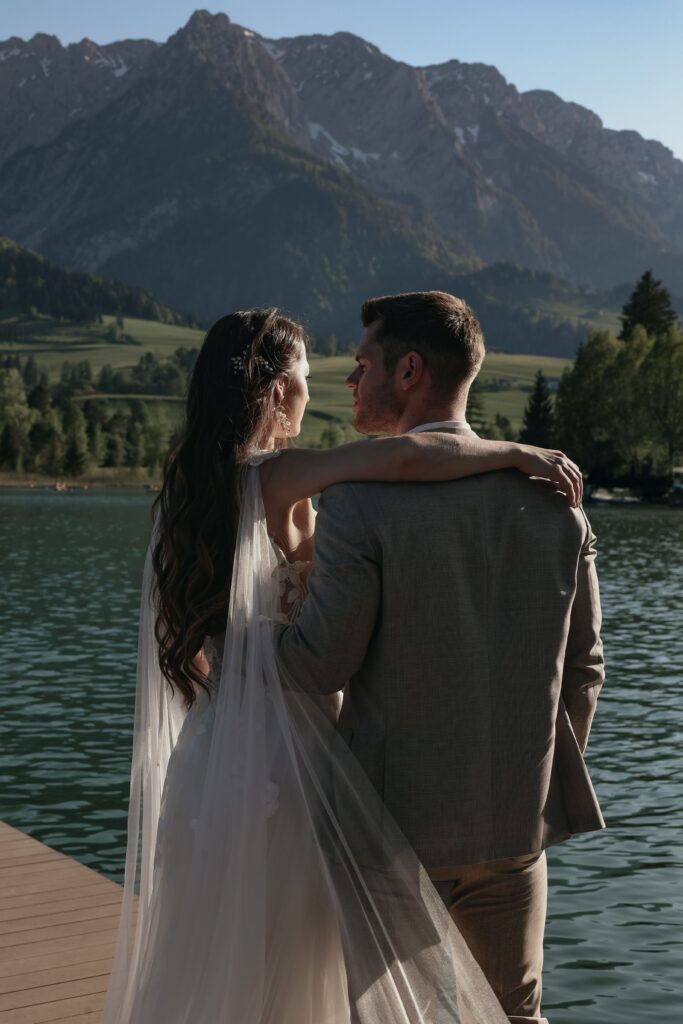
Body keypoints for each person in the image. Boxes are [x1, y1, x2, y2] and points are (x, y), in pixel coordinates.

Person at [101, 306, 584, 1024]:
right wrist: (512, 453)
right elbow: (407, 458)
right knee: (304, 961)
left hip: (215, 748)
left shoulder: (187, 487)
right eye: (304, 377)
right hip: (295, 753)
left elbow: (190, 640)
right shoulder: (279, 475)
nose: (322, 389)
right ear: (275, 391)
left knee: (220, 951)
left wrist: (232, 697)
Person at [275, 291, 605, 1024]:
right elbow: (585, 669)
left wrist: (242, 638)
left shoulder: (358, 503)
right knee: (517, 1017)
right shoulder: (559, 503)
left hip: (389, 833)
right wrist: (530, 776)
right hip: (514, 828)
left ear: (409, 371)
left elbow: (318, 665)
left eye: (363, 363)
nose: (350, 379)